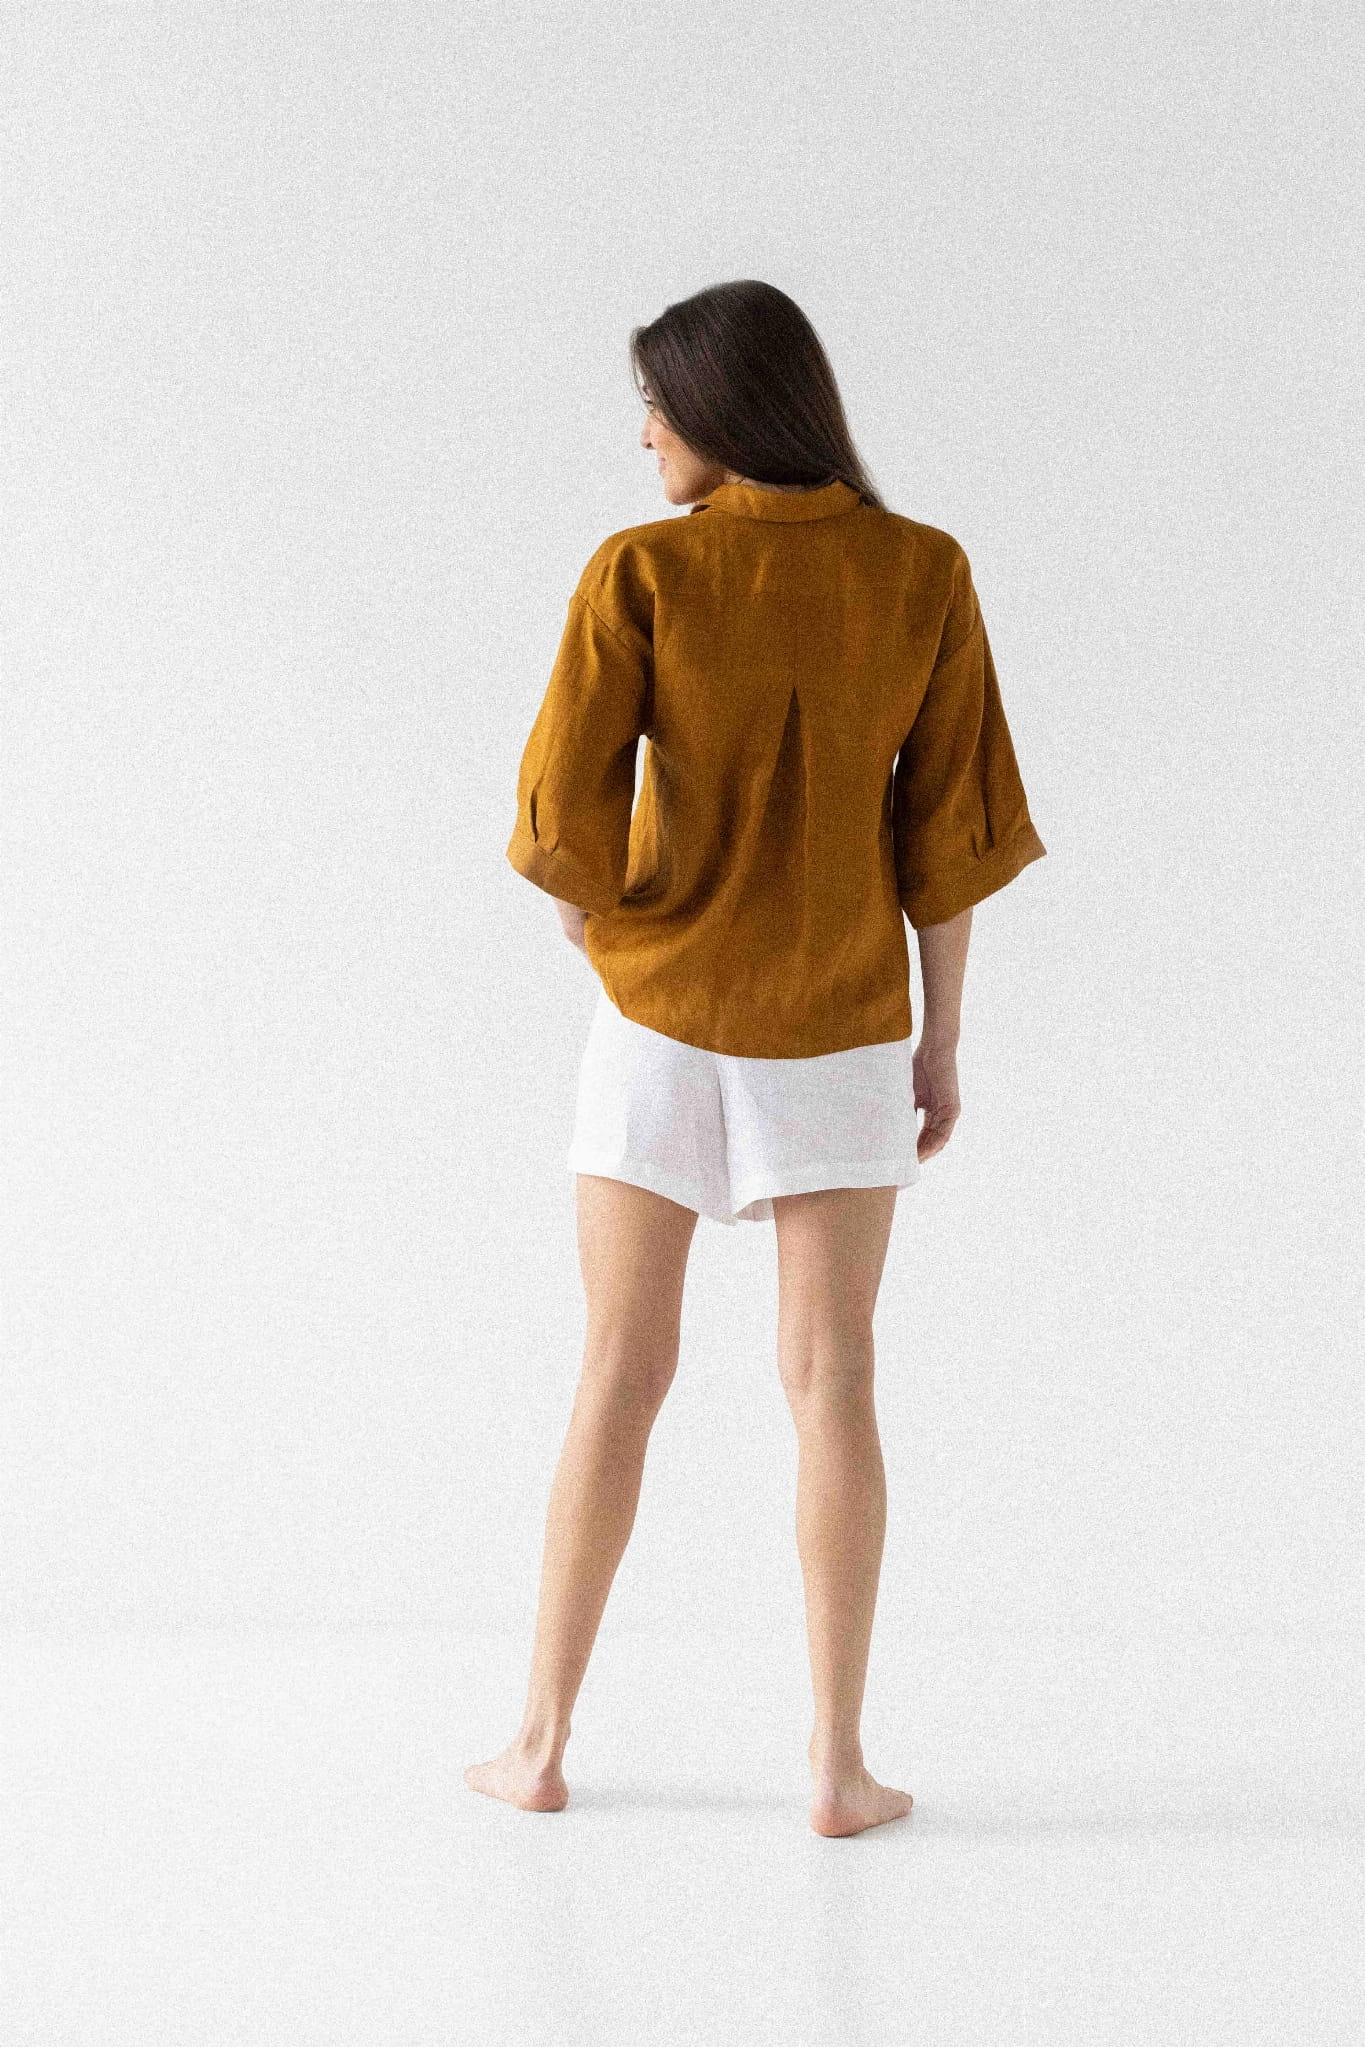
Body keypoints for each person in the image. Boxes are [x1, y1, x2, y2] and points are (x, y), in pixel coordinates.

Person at [466, 279, 1046, 1837]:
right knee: (834, 1374)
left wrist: (628, 947)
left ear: (719, 410)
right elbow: (950, 841)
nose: (645, 434)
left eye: (656, 405)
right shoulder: (923, 572)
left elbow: (561, 832)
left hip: (656, 1024)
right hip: (844, 1024)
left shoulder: (643, 572)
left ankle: (538, 1744)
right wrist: (941, 1040)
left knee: (617, 1366)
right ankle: (839, 1766)